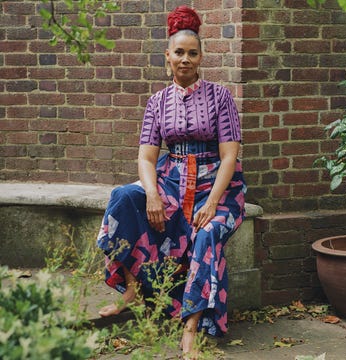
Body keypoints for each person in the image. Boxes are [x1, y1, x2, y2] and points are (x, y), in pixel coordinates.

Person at [96, 5, 247, 358]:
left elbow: (230, 156)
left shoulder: (220, 97)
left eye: (192, 53)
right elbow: (147, 157)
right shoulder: (157, 102)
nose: (185, 59)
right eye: (179, 52)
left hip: (217, 187)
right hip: (172, 181)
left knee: (208, 232)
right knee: (123, 197)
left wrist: (212, 204)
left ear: (201, 57)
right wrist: (151, 193)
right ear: (168, 56)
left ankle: (191, 325)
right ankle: (131, 288)